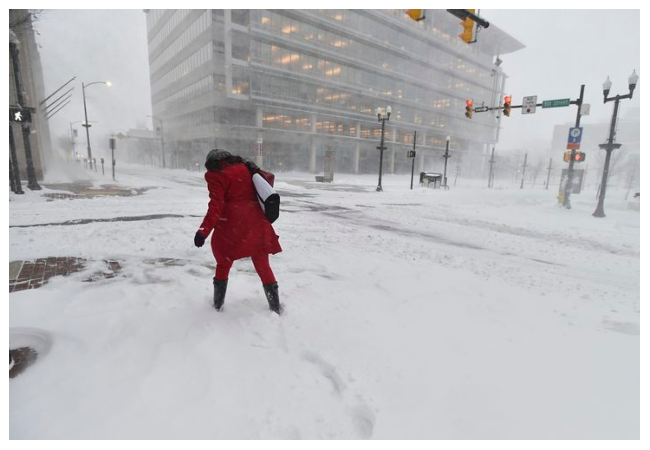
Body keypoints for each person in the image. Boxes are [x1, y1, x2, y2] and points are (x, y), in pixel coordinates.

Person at [194, 149, 283, 314]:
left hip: (232, 226)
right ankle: (275, 307)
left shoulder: (216, 175)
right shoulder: (244, 166)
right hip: (256, 222)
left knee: (223, 262)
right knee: (263, 265)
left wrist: (203, 232)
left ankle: (217, 305)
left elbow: (216, 206)